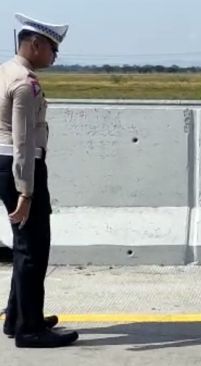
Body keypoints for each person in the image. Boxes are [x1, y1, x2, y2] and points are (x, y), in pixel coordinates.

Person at [0, 13, 78, 348]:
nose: (55, 56)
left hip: (2, 163)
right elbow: (23, 143)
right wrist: (26, 192)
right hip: (21, 166)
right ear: (35, 44)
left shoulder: (4, 71)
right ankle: (30, 330)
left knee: (22, 246)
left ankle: (18, 316)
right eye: (52, 49)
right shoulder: (25, 84)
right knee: (33, 248)